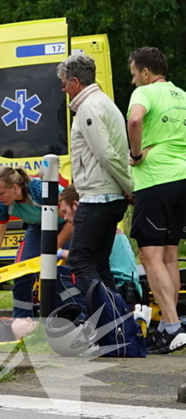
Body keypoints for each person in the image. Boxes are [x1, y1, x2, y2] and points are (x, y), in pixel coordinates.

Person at [57, 53, 133, 293]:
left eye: (64, 83)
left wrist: (131, 187)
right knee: (99, 263)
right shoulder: (105, 103)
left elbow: (106, 154)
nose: (63, 89)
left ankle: (106, 318)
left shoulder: (88, 108)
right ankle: (119, 319)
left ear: (76, 82)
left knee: (79, 259)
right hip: (110, 197)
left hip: (98, 196)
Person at [126, 47, 186, 353]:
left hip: (155, 179)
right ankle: (167, 326)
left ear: (146, 73)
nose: (134, 81)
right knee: (169, 256)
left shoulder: (145, 94)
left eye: (135, 74)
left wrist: (136, 155)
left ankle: (173, 325)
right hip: (182, 178)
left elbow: (135, 122)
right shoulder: (182, 96)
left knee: (150, 255)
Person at [0, 166, 72, 338]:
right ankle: (22, 325)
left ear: (15, 188)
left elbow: (72, 220)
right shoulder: (3, 205)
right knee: (21, 272)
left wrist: (51, 249)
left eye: (1, 193)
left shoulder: (38, 190)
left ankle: (65, 320)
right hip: (38, 227)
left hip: (65, 225)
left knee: (65, 271)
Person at [57, 186, 141, 306]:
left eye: (65, 211)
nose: (65, 218)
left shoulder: (91, 228)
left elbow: (80, 258)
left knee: (60, 274)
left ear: (76, 206)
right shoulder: (103, 225)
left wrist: (59, 253)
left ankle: (85, 314)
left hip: (120, 284)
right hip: (126, 286)